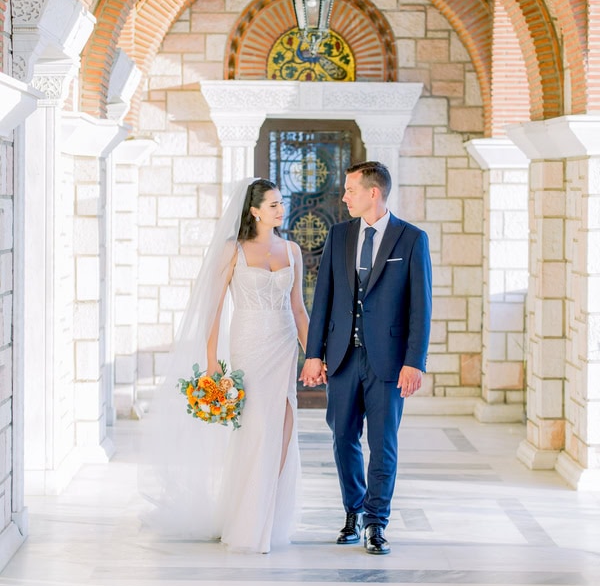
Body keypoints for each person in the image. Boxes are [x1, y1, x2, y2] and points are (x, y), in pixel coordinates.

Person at [141, 177, 308, 554]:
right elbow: (213, 308)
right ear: (254, 210)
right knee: (256, 428)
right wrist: (212, 358)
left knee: (283, 427)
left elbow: (299, 309)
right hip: (249, 345)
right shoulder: (233, 250)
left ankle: (269, 515)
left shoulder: (293, 250)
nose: (281, 209)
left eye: (282, 203)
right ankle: (247, 521)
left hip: (283, 346)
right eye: (273, 205)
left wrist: (313, 355)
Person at [300, 161, 432, 555]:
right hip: (342, 358)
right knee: (343, 439)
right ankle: (352, 512)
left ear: (373, 193)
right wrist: (313, 354)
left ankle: (377, 522)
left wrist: (415, 361)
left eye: (350, 190)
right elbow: (322, 299)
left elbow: (420, 308)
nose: (344, 197)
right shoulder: (339, 236)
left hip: (389, 362)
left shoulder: (411, 239)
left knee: (383, 443)